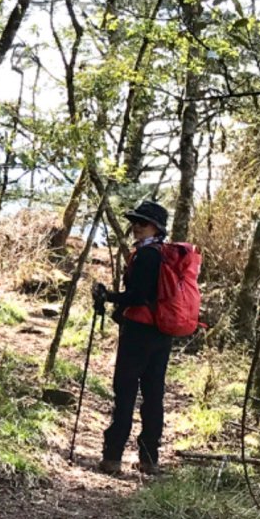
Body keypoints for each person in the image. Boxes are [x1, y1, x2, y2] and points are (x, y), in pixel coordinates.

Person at [97, 200, 172, 476]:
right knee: (153, 395)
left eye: (142, 222)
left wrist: (109, 297)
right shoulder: (164, 255)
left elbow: (137, 296)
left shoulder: (147, 256)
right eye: (134, 222)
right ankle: (149, 459)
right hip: (163, 334)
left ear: (157, 228)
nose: (136, 227)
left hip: (139, 332)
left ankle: (113, 456)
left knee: (126, 391)